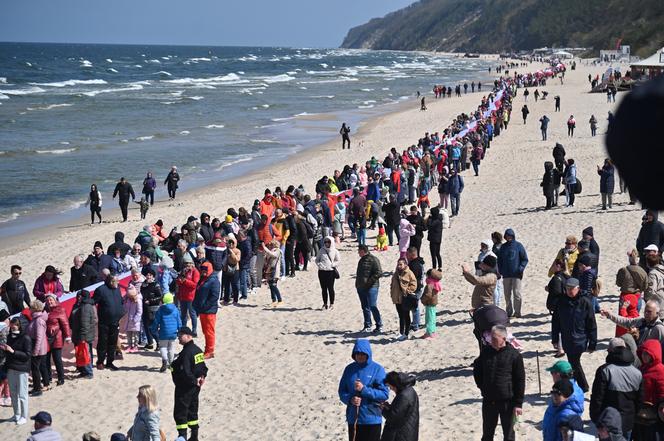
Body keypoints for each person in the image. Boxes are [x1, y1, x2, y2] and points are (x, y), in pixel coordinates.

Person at [473, 325, 525, 441]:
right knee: (487, 435)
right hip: (489, 400)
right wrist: (482, 387)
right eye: (491, 338)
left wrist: (518, 403)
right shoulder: (486, 352)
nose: (491, 340)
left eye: (495, 338)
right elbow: (477, 370)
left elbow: (520, 380)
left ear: (503, 339)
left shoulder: (514, 355)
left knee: (509, 436)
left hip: (508, 402)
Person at [589, 338, 641, 438]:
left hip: (607, 424)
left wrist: (596, 418)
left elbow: (597, 398)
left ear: (611, 351)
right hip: (628, 422)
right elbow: (639, 400)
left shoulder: (604, 370)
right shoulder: (637, 372)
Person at [338, 339, 389, 441]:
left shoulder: (377, 369)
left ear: (368, 354)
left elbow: (384, 394)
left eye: (363, 354)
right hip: (354, 418)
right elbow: (342, 391)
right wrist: (350, 399)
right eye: (357, 353)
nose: (360, 356)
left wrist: (364, 390)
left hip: (372, 419)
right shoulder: (349, 369)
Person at [556, 278, 597, 392]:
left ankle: (581, 386)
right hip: (567, 338)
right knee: (573, 362)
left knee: (574, 362)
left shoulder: (585, 301)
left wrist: (592, 343)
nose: (569, 291)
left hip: (580, 339)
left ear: (578, 289)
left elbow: (591, 323)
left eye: (572, 289)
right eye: (567, 288)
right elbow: (556, 321)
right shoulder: (561, 301)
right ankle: (578, 385)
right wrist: (555, 339)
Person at [171, 326, 208, 441]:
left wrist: (193, 380)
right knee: (192, 410)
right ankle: (194, 437)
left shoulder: (187, 352)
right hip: (195, 388)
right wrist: (202, 377)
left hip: (185, 388)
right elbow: (203, 367)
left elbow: (186, 372)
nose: (178, 338)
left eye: (180, 335)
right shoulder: (197, 350)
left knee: (180, 413)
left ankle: (182, 436)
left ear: (188, 336)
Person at [2, 317, 31, 425]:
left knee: (22, 395)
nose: (12, 326)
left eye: (15, 324)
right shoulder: (9, 336)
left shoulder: (26, 338)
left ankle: (24, 416)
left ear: (19, 325)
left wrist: (12, 351)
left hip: (22, 369)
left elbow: (27, 356)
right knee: (13, 394)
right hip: (11, 368)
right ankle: (17, 414)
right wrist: (5, 350)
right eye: (12, 324)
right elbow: (9, 353)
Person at [94, 274, 124, 371]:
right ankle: (100, 362)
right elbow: (93, 302)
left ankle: (110, 362)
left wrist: (121, 313)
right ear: (111, 281)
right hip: (104, 322)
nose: (118, 282)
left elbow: (120, 302)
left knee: (113, 342)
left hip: (115, 321)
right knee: (103, 342)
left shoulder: (117, 289)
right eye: (116, 281)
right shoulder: (101, 290)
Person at [496, 229, 528, 318]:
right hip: (506, 275)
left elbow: (525, 259)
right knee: (507, 294)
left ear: (513, 236)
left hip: (516, 275)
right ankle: (509, 312)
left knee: (517, 294)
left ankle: (517, 312)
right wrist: (501, 270)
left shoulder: (518, 246)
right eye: (507, 236)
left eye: (510, 236)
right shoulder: (503, 247)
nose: (508, 238)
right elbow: (499, 260)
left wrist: (520, 268)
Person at [380, 372, 419, 441]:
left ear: (395, 384)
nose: (391, 389)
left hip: (401, 435)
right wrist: (389, 407)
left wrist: (382, 409)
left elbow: (392, 417)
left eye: (390, 386)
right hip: (407, 432)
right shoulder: (408, 390)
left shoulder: (404, 395)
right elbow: (401, 411)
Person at [192, 262, 220, 359]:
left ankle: (210, 351)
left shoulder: (214, 280)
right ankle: (207, 349)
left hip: (209, 311)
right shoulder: (203, 279)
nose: (203, 272)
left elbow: (214, 297)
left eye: (205, 270)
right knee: (205, 331)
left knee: (209, 331)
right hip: (202, 310)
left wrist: (204, 307)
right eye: (202, 270)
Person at [69, 289, 96, 379]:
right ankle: (83, 371)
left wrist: (83, 337)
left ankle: (88, 372)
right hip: (77, 333)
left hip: (84, 334)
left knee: (85, 353)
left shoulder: (86, 307)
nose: (79, 297)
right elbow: (71, 318)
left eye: (80, 296)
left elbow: (85, 323)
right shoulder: (77, 305)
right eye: (78, 296)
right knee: (81, 353)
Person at [355, 245, 383, 333]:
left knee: (372, 306)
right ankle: (367, 325)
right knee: (365, 307)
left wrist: (369, 282)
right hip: (361, 287)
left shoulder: (373, 259)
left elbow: (379, 272)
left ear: (363, 251)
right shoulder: (361, 260)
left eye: (359, 251)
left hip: (372, 287)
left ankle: (379, 325)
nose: (358, 253)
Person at [151, 293, 181, 372]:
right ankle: (171, 364)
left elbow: (156, 321)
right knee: (171, 348)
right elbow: (179, 321)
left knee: (163, 347)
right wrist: (180, 330)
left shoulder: (160, 309)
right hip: (173, 332)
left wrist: (154, 329)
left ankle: (164, 360)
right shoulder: (175, 309)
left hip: (164, 332)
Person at [390, 258, 417, 341]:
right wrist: (392, 293)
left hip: (405, 298)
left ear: (405, 264)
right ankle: (401, 333)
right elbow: (392, 284)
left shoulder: (409, 273)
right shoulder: (395, 273)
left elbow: (414, 284)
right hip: (397, 298)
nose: (399, 266)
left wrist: (407, 291)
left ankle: (406, 333)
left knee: (406, 316)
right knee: (400, 316)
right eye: (398, 264)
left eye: (400, 264)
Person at [547, 260, 569, 358]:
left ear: (559, 266)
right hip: (565, 305)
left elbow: (557, 292)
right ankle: (562, 347)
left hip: (558, 306)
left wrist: (548, 289)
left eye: (554, 265)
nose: (552, 267)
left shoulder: (557, 278)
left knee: (558, 328)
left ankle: (560, 349)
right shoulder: (566, 276)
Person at [176, 254, 199, 336]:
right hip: (182, 295)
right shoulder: (183, 271)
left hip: (191, 296)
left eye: (189, 263)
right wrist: (179, 280)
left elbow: (195, 285)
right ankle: (184, 329)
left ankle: (194, 330)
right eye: (186, 263)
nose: (188, 265)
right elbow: (178, 282)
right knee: (183, 314)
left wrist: (185, 281)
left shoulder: (195, 272)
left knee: (192, 314)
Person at [316, 236, 340, 310]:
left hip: (330, 272)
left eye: (328, 242)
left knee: (330, 288)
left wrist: (333, 264)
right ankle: (325, 304)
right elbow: (317, 260)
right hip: (322, 271)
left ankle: (332, 304)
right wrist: (319, 265)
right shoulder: (321, 250)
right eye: (325, 242)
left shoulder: (335, 251)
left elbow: (338, 260)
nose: (327, 243)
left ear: (331, 242)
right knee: (323, 288)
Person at [262, 239, 284, 306]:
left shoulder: (278, 251)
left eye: (271, 244)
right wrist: (265, 253)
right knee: (271, 286)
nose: (270, 245)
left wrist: (265, 248)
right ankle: (273, 300)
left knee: (274, 285)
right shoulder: (271, 250)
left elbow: (273, 255)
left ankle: (280, 300)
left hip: (275, 271)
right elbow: (266, 258)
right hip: (269, 270)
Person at [421, 269, 441, 339]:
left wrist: (422, 300)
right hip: (433, 303)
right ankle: (432, 332)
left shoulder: (430, 284)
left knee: (429, 319)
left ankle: (429, 333)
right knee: (432, 318)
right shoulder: (436, 283)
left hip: (429, 303)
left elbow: (428, 295)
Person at [123, 286, 143, 353]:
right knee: (128, 334)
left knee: (135, 335)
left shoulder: (138, 300)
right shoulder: (127, 299)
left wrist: (135, 319)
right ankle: (129, 345)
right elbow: (125, 307)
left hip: (135, 321)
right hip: (128, 319)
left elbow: (139, 311)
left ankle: (135, 346)